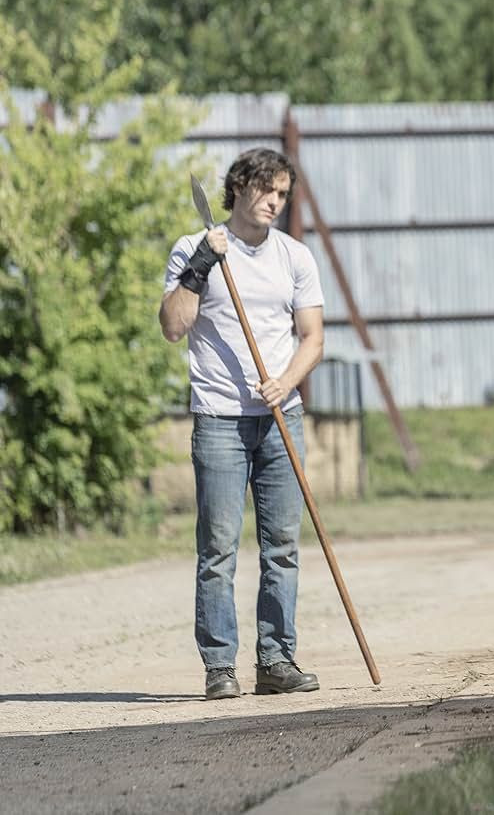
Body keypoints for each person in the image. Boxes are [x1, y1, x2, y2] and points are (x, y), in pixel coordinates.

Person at [159, 148, 325, 700]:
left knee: (281, 544)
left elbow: (313, 338)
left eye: (282, 193)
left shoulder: (295, 256)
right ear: (239, 189)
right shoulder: (193, 248)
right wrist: (201, 266)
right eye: (266, 191)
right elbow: (173, 327)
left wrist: (286, 379)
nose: (275, 202)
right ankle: (220, 667)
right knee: (219, 547)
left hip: (281, 417)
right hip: (220, 419)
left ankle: (276, 660)